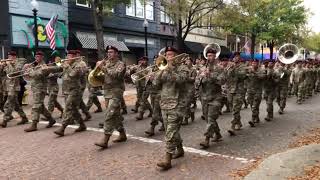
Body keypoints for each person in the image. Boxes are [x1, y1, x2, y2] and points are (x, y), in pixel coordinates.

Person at [154, 46, 188, 170]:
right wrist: (162, 70)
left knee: (170, 132)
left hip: (177, 104)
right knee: (172, 130)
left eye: (171, 54)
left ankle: (167, 159)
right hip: (164, 103)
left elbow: (181, 80)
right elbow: (156, 84)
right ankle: (180, 149)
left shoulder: (182, 68)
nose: (169, 56)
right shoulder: (162, 67)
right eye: (167, 54)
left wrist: (171, 69)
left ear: (176, 56)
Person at [94, 46, 127, 148]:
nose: (109, 54)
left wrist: (102, 67)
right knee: (115, 115)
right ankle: (122, 135)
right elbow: (103, 76)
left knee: (109, 114)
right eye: (108, 52)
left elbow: (115, 75)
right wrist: (97, 71)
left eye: (111, 52)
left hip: (116, 92)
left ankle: (105, 139)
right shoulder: (107, 63)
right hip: (107, 92)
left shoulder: (121, 64)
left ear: (117, 53)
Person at [24, 51, 61, 132]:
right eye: (36, 57)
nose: (36, 58)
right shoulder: (34, 66)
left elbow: (36, 75)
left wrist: (29, 70)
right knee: (41, 107)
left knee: (36, 106)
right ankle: (51, 120)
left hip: (40, 89)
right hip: (35, 88)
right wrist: (25, 68)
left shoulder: (44, 66)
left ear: (42, 57)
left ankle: (34, 124)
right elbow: (27, 77)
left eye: (38, 57)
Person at [53, 50, 87, 136]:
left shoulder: (78, 65)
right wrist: (55, 63)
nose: (67, 58)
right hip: (67, 90)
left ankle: (62, 128)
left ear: (74, 57)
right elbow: (58, 66)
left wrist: (67, 66)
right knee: (74, 109)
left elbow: (72, 74)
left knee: (68, 107)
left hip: (75, 90)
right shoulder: (66, 64)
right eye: (67, 56)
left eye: (70, 56)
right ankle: (82, 125)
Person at [197, 49, 224, 148]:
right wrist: (200, 77)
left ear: (215, 56)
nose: (209, 57)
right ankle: (218, 134)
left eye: (211, 55)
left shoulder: (220, 68)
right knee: (208, 119)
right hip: (204, 97)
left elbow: (222, 81)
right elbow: (197, 83)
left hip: (216, 97)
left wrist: (210, 75)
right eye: (208, 55)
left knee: (211, 118)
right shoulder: (203, 68)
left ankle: (206, 139)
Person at [0, 51, 28, 128]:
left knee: (8, 103)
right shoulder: (7, 63)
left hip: (15, 87)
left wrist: (10, 64)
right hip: (7, 86)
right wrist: (2, 66)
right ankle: (24, 118)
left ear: (14, 56)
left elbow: (14, 72)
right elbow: (2, 74)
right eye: (8, 56)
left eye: (11, 56)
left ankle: (5, 121)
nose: (9, 58)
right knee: (16, 105)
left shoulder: (19, 62)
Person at [246, 59, 266, 127]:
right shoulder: (249, 69)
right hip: (250, 91)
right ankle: (256, 117)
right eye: (253, 63)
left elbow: (262, 77)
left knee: (255, 106)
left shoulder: (262, 70)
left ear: (258, 64)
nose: (254, 64)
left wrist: (254, 72)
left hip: (258, 91)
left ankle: (252, 119)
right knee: (252, 106)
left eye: (255, 63)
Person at [47, 51, 63, 117]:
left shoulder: (58, 63)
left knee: (51, 100)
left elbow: (62, 72)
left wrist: (53, 75)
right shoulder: (49, 62)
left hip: (54, 85)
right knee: (54, 101)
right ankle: (63, 110)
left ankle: (49, 115)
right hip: (49, 85)